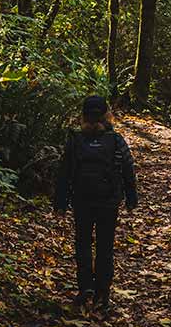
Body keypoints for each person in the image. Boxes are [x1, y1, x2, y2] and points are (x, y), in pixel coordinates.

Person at [54, 95, 138, 313]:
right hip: (108, 201)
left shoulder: (75, 139)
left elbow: (64, 172)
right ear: (106, 114)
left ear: (83, 114)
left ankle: (85, 288)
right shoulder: (115, 140)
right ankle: (103, 293)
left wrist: (60, 204)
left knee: (82, 243)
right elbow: (128, 168)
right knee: (105, 246)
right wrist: (131, 198)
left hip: (81, 200)